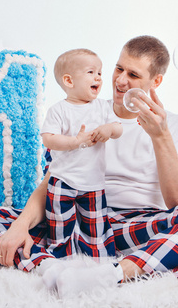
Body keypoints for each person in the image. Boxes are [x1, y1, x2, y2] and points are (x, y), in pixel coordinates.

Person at [0, 36, 178, 296]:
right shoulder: (85, 108)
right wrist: (20, 226)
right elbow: (54, 179)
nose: (120, 81)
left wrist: (160, 136)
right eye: (118, 68)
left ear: (156, 81)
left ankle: (115, 274)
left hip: (137, 226)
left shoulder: (171, 124)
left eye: (133, 75)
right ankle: (49, 269)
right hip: (76, 220)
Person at [40, 48, 122, 260]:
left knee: (96, 226)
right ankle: (60, 256)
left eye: (100, 73)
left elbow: (119, 127)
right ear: (69, 81)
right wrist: (75, 142)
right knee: (59, 224)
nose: (98, 77)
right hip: (63, 180)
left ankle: (100, 260)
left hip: (93, 182)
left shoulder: (102, 107)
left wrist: (109, 130)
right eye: (91, 72)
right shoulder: (59, 110)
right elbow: (48, 138)